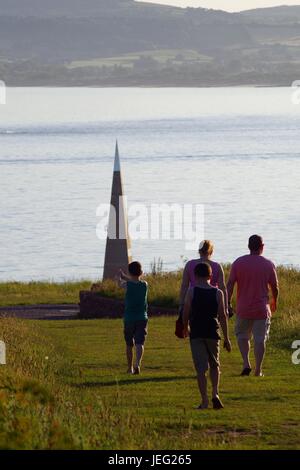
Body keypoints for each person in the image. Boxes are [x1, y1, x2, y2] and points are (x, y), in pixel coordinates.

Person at [227, 235, 279, 377]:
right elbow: (275, 286)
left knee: (242, 336)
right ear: (262, 246)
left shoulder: (238, 263)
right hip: (262, 309)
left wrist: (228, 302)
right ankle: (258, 369)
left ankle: (246, 363)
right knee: (260, 339)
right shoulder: (268, 264)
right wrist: (275, 300)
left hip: (243, 308)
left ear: (249, 246)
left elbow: (230, 284)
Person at [183, 262, 231, 410]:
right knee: (215, 364)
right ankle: (215, 393)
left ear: (195, 276)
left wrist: (185, 327)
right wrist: (227, 338)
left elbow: (186, 311)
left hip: (196, 332)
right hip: (213, 332)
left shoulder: (191, 291)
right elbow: (223, 316)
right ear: (211, 276)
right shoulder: (218, 293)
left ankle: (204, 401)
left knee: (200, 369)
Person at [179, 240, 228, 316]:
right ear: (211, 252)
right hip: (212, 299)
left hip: (194, 298)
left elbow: (184, 286)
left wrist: (182, 304)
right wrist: (225, 307)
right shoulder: (217, 266)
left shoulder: (190, 264)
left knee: (194, 323)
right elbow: (222, 287)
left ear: (199, 251)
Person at [118, 261, 148, 375]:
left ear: (130, 272)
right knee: (140, 343)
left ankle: (130, 367)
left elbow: (121, 284)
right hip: (142, 317)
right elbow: (135, 281)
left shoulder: (126, 285)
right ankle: (137, 364)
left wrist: (122, 277)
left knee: (129, 344)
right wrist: (127, 276)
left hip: (129, 318)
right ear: (141, 272)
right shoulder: (145, 284)